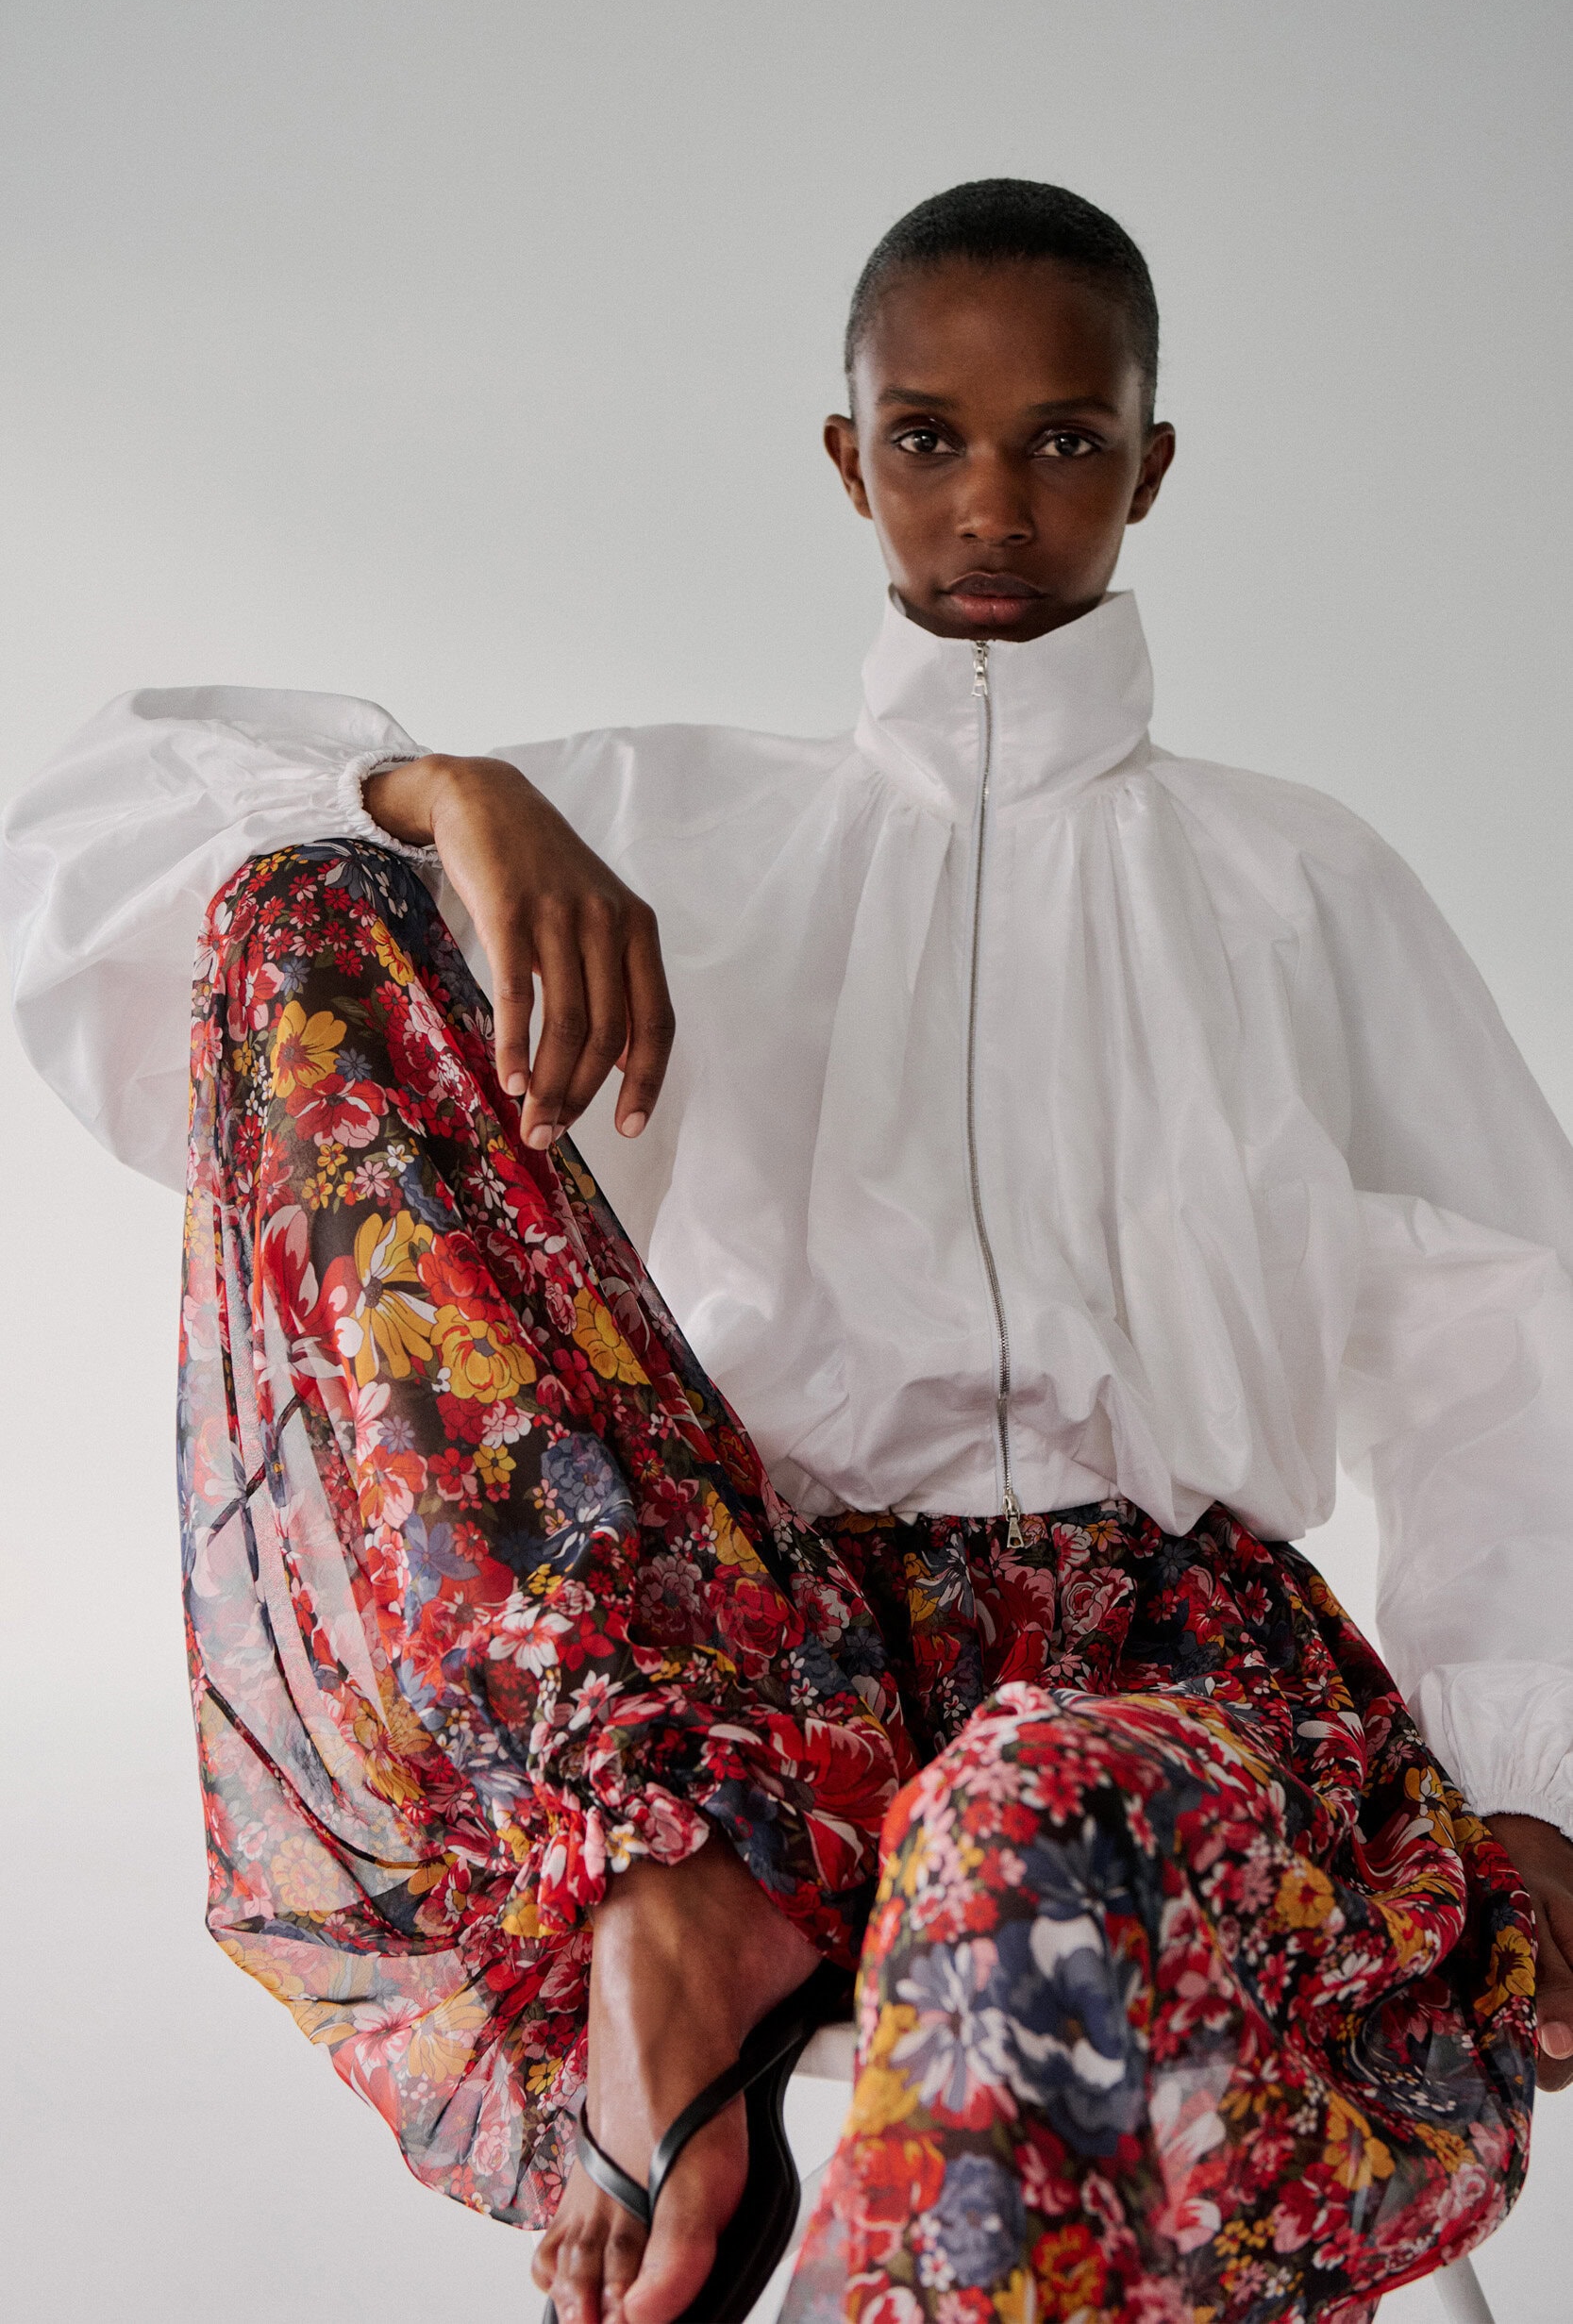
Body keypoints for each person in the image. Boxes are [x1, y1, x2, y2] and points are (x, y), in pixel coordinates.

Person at [4, 178, 1571, 2324]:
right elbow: (83, 860)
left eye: (1065, 439)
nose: (993, 502)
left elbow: (1508, 1337)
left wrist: (1529, 1783)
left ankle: (768, 2054)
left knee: (1033, 1843)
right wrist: (439, 791)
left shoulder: (1304, 880)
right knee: (308, 905)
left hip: (1174, 1669)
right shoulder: (671, 820)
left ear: (1151, 462)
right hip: (736, 1658)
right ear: (849, 458)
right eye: (929, 437)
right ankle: (683, 1882)